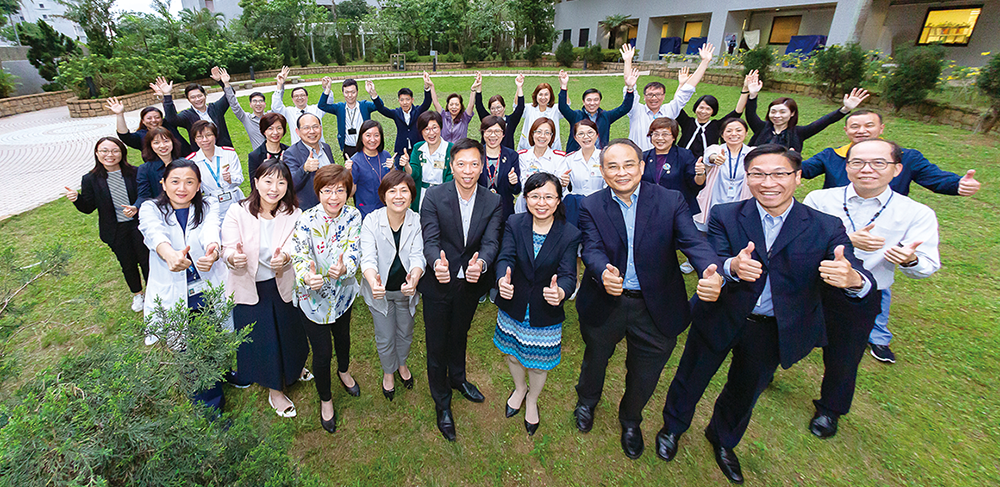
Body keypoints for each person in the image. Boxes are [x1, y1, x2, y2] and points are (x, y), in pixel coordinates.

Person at [656, 144, 875, 484]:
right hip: (721, 315)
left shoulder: (825, 226)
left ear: (798, 178)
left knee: (745, 390)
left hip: (772, 328)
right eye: (758, 174)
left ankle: (723, 439)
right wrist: (730, 266)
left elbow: (855, 270)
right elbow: (713, 256)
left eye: (779, 173)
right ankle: (673, 427)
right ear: (748, 177)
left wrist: (854, 279)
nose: (768, 182)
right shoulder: (726, 214)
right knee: (691, 376)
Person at [573, 138, 722, 461]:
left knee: (645, 372)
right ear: (602, 171)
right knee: (595, 358)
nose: (621, 172)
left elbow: (692, 241)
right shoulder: (591, 205)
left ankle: (630, 420)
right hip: (605, 300)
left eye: (629, 164)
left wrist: (711, 269)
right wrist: (602, 271)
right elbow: (592, 247)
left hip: (656, 306)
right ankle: (587, 401)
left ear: (642, 166)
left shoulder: (670, 200)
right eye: (612, 166)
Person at [802, 139, 940, 438]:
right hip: (811, 285)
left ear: (896, 169)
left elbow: (927, 266)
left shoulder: (916, 214)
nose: (867, 170)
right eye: (857, 163)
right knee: (781, 332)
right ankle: (763, 375)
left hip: (860, 297)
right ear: (846, 166)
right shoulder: (820, 199)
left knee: (844, 355)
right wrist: (847, 239)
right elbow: (799, 242)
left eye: (879, 163)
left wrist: (911, 259)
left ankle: (830, 409)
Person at [419, 138, 502, 441]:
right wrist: (434, 262)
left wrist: (484, 261)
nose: (468, 170)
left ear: (482, 166)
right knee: (437, 342)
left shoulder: (492, 201)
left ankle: (458, 379)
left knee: (460, 334)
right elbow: (430, 239)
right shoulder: (433, 197)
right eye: (461, 164)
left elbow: (491, 241)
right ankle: (442, 401)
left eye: (474, 164)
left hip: (470, 283)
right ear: (451, 166)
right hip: (438, 282)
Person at [221, 158, 308, 419]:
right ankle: (275, 389)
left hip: (281, 283)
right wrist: (232, 258)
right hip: (251, 286)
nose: (274, 188)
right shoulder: (238, 211)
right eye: (268, 181)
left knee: (292, 331)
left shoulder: (292, 212)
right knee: (264, 340)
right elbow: (228, 247)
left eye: (281, 182)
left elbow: (297, 242)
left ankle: (295, 368)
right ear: (256, 182)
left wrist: (287, 257)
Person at [494, 172, 581, 436]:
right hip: (514, 303)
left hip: (545, 309)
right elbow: (505, 256)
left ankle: (532, 399)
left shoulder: (569, 233)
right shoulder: (514, 222)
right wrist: (501, 278)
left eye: (548, 197)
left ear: (558, 201)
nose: (540, 202)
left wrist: (563, 292)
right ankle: (519, 389)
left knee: (537, 362)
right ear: (525, 197)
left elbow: (568, 274)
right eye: (534, 196)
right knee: (511, 353)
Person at [137, 159, 226, 407]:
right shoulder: (150, 208)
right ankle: (209, 405)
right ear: (163, 184)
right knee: (187, 352)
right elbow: (154, 234)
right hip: (175, 293)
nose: (182, 188)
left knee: (213, 338)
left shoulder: (207, 204)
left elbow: (211, 230)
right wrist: (170, 255)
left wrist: (213, 251)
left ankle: (219, 375)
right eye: (175, 181)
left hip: (205, 289)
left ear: (198, 186)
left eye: (190, 182)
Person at [290, 164, 363, 433]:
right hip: (314, 300)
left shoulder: (354, 216)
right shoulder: (306, 219)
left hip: (343, 295)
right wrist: (307, 277)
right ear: (318, 192)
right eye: (327, 191)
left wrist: (346, 267)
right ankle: (326, 400)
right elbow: (299, 255)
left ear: (348, 191)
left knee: (343, 339)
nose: (334, 197)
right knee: (322, 353)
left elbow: (355, 249)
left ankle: (343, 371)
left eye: (340, 190)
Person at [801, 109, 981, 197]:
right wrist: (787, 158)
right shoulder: (832, 155)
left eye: (869, 126)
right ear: (846, 131)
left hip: (885, 221)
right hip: (838, 218)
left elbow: (935, 178)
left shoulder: (906, 157)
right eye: (855, 127)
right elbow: (805, 170)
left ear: (881, 128)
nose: (861, 131)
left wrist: (958, 184)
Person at [359, 170, 425, 401]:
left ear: (411, 195)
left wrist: (415, 277)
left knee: (405, 332)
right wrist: (372, 280)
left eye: (404, 191)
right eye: (392, 191)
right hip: (380, 293)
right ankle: (389, 372)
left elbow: (418, 256)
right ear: (383, 195)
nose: (398, 196)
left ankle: (402, 364)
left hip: (406, 291)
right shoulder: (371, 221)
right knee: (385, 336)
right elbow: (367, 257)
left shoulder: (415, 220)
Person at [63, 137, 148, 313]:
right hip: (115, 230)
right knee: (128, 264)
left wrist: (136, 207)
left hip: (139, 226)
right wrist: (77, 199)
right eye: (104, 151)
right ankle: (138, 294)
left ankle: (155, 293)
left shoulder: (135, 172)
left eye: (115, 150)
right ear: (97, 153)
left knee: (147, 261)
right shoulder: (90, 179)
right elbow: (88, 207)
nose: (110, 155)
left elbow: (145, 196)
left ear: (122, 153)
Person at [621, 43, 715, 151]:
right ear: (644, 97)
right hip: (638, 160)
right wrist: (628, 61)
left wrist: (704, 62)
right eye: (650, 95)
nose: (654, 98)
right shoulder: (636, 110)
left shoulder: (669, 110)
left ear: (664, 96)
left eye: (658, 95)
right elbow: (629, 85)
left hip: (662, 161)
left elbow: (687, 90)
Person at [744, 70, 869, 151]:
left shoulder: (799, 133)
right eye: (773, 111)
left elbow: (824, 122)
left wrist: (845, 109)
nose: (777, 116)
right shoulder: (761, 128)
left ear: (792, 113)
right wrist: (753, 95)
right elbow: (750, 114)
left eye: (783, 112)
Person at [694, 118, 755, 232]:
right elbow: (709, 156)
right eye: (729, 131)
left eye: (738, 130)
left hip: (740, 202)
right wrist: (715, 159)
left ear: (746, 133)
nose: (734, 134)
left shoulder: (752, 154)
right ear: (722, 134)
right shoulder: (716, 149)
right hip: (715, 201)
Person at [557, 67, 638, 153]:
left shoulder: (606, 116)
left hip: (598, 156)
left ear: (600, 101)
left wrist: (630, 88)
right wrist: (563, 86)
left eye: (596, 100)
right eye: (589, 100)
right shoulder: (576, 116)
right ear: (583, 102)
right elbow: (563, 107)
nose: (592, 103)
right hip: (577, 157)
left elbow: (624, 108)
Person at [674, 71, 753, 158]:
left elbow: (737, 112)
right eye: (701, 107)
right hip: (683, 160)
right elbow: (676, 106)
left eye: (708, 109)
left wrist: (745, 89)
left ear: (713, 111)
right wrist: (681, 84)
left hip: (708, 163)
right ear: (696, 108)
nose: (703, 111)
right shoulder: (688, 122)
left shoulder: (716, 125)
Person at [640, 117, 705, 217]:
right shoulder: (644, 157)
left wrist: (700, 173)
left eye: (665, 134)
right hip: (650, 210)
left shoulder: (684, 155)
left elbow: (697, 184)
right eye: (656, 134)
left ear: (674, 137)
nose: (660, 138)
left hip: (678, 210)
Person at [154, 69, 234, 149]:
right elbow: (172, 119)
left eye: (200, 96)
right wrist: (167, 96)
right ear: (188, 99)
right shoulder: (187, 115)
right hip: (202, 154)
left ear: (205, 95)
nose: (197, 99)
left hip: (224, 149)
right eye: (193, 97)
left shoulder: (216, 108)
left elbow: (230, 94)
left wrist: (222, 82)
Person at [185, 120, 244, 217]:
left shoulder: (229, 153)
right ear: (195, 139)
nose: (205, 140)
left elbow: (239, 178)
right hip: (212, 204)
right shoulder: (192, 161)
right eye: (199, 137)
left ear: (215, 136)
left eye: (209, 135)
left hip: (234, 199)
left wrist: (230, 179)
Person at [368, 73, 434, 157]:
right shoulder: (396, 113)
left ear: (412, 100)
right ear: (399, 101)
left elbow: (427, 103)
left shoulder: (417, 111)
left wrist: (427, 87)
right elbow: (382, 109)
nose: (405, 103)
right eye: (402, 100)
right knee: (399, 170)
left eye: (407, 99)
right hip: (401, 150)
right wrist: (374, 95)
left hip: (418, 149)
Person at [401, 111, 453, 211]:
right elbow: (414, 173)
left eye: (434, 128)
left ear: (440, 128)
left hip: (443, 194)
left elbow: (451, 176)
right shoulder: (418, 148)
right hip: (421, 194)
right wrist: (407, 165)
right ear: (421, 131)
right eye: (426, 129)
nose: (431, 133)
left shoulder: (450, 148)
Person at [285, 113, 337, 210]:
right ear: (298, 132)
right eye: (306, 128)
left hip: (332, 205)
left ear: (320, 128)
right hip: (310, 210)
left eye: (315, 127)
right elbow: (290, 185)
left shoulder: (326, 148)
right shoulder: (291, 153)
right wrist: (304, 169)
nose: (312, 131)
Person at [516, 117, 568, 213]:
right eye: (538, 132)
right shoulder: (522, 156)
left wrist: (564, 183)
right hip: (526, 203)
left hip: (550, 205)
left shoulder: (559, 158)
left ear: (552, 136)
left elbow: (560, 186)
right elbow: (523, 184)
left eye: (547, 133)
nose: (542, 136)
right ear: (532, 133)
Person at [318, 77, 378, 160]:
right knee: (350, 171)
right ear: (343, 92)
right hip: (348, 147)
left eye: (353, 92)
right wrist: (327, 89)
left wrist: (373, 94)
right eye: (346, 92)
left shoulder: (364, 106)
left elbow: (379, 106)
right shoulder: (339, 108)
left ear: (357, 92)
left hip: (365, 145)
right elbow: (321, 105)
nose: (350, 95)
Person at [107, 96, 190, 155]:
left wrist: (165, 97)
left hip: (187, 161)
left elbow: (171, 114)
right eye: (149, 118)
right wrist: (119, 114)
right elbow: (124, 135)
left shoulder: (169, 125)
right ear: (143, 121)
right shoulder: (140, 136)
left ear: (162, 119)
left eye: (157, 117)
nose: (153, 120)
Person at [478, 115, 521, 226]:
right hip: (480, 213)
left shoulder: (512, 155)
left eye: (497, 131)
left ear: (503, 134)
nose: (493, 135)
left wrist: (513, 182)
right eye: (489, 131)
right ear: (483, 133)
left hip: (504, 213)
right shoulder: (476, 154)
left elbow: (516, 190)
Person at [562, 120, 605, 227]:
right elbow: (564, 188)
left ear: (597, 135)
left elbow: (609, 185)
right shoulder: (569, 159)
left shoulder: (605, 157)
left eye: (590, 133)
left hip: (600, 205)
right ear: (576, 138)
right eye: (581, 134)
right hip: (575, 206)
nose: (586, 137)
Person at [350, 119, 396, 218]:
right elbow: (350, 194)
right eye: (368, 135)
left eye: (376, 135)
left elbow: (394, 182)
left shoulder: (385, 155)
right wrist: (348, 173)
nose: (372, 139)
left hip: (387, 209)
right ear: (361, 137)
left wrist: (392, 168)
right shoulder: (355, 161)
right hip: (366, 211)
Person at [271, 66, 326, 145]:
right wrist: (279, 85)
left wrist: (326, 89)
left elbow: (328, 103)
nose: (299, 98)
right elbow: (276, 107)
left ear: (307, 97)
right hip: (299, 149)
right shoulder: (289, 112)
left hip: (318, 146)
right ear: (292, 99)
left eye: (302, 95)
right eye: (296, 96)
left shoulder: (316, 109)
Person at [218, 67, 268, 150]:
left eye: (260, 101)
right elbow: (234, 105)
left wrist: (280, 84)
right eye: (255, 101)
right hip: (259, 157)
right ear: (250, 105)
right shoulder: (246, 118)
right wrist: (226, 84)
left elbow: (278, 104)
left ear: (265, 104)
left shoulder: (271, 117)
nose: (258, 104)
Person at [474, 73, 525, 150]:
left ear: (504, 107)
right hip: (487, 154)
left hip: (507, 156)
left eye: (499, 107)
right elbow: (479, 105)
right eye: (493, 108)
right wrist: (479, 86)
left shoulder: (511, 121)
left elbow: (520, 107)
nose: (496, 111)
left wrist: (519, 87)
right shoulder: (487, 120)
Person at [137, 126, 184, 208]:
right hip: (161, 210)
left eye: (166, 141)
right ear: (150, 146)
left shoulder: (185, 164)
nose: (162, 146)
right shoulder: (145, 169)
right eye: (156, 143)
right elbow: (144, 196)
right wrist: (135, 207)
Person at [247, 113, 289, 192]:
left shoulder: (289, 152)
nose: (275, 132)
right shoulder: (255, 156)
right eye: (270, 128)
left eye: (279, 128)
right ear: (264, 131)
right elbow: (254, 187)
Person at [431, 73, 477, 143]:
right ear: (448, 106)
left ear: (461, 106)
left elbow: (471, 105)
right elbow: (435, 103)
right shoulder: (443, 115)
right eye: (451, 104)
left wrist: (473, 89)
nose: (454, 107)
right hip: (445, 150)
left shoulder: (465, 117)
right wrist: (431, 86)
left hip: (459, 149)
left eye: (457, 104)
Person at [518, 82, 562, 151]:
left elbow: (566, 106)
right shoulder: (528, 108)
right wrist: (519, 87)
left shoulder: (556, 109)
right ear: (536, 96)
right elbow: (516, 106)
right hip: (528, 147)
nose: (543, 97)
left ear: (551, 96)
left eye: (546, 94)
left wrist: (563, 85)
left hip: (552, 148)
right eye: (540, 94)